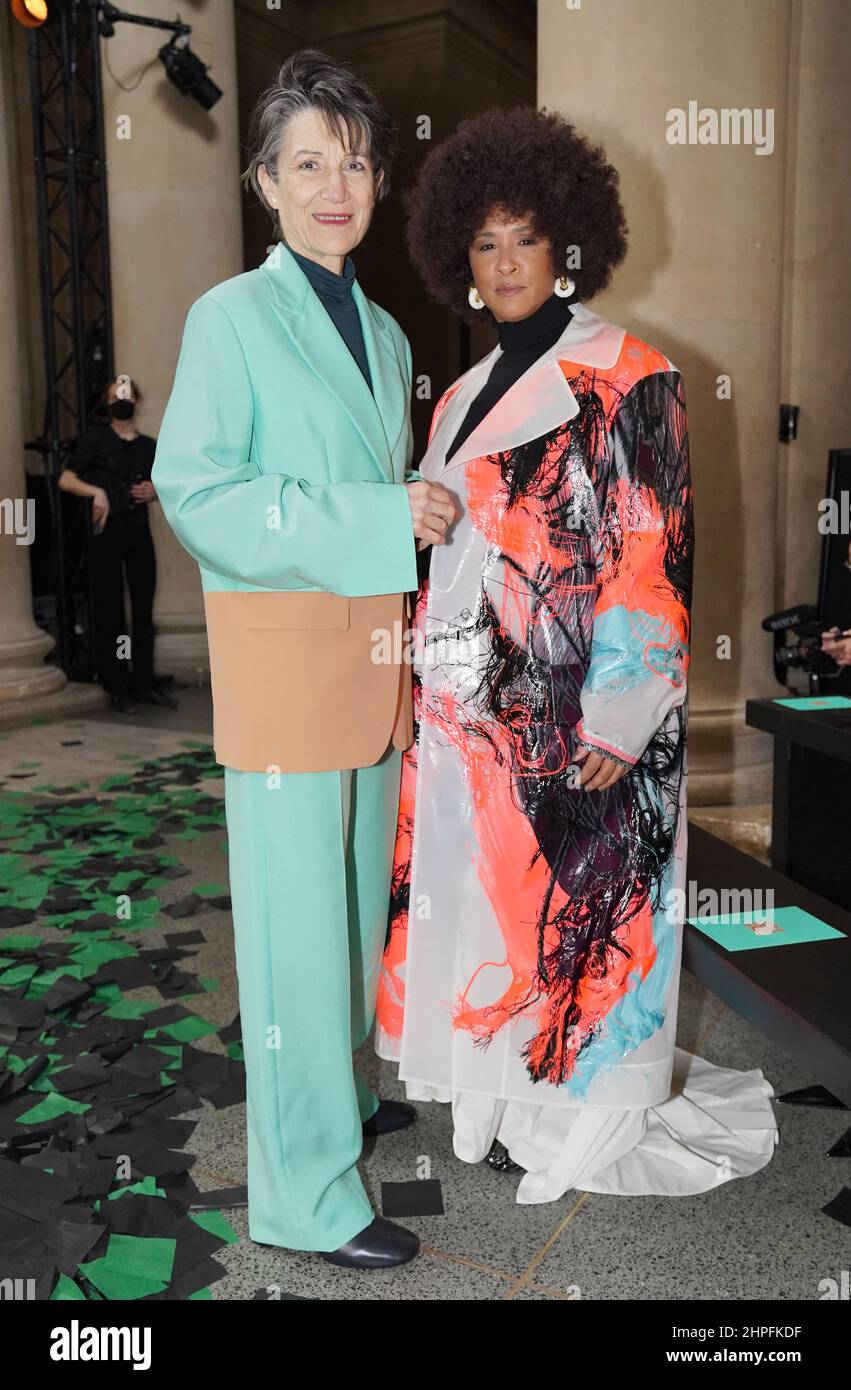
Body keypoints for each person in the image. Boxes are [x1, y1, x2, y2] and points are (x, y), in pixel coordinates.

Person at [376, 106, 779, 1203]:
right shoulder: (457, 398)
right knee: (491, 916)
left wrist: (621, 711)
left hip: (577, 716)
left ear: (568, 242)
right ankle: (501, 1104)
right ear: (458, 254)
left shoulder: (629, 372)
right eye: (483, 242)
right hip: (468, 720)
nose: (504, 262)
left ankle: (578, 1125)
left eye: (523, 237)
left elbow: (653, 547)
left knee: (584, 918)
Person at [151, 51, 456, 1267]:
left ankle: (335, 1097)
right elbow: (200, 493)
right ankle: (304, 1196)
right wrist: (383, 518)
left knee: (340, 922)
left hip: (369, 672)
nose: (337, 186)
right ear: (266, 182)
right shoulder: (228, 316)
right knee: (289, 947)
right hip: (285, 678)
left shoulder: (382, 330)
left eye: (356, 163)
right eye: (308, 164)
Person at [59, 377, 169, 713]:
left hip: (138, 530)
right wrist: (97, 492)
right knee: (110, 612)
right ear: (108, 403)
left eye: (126, 395)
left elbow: (169, 485)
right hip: (106, 532)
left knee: (143, 610)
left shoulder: (150, 446)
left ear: (137, 400)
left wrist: (155, 491)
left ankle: (144, 682)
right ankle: (117, 685)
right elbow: (65, 478)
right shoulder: (95, 440)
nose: (121, 401)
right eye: (115, 396)